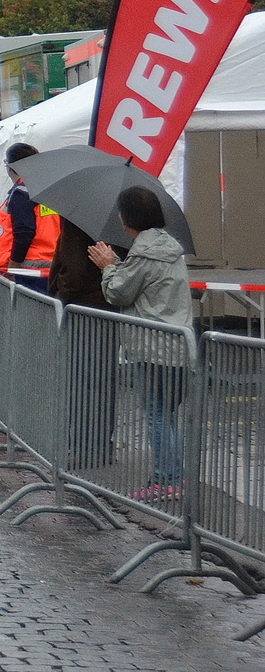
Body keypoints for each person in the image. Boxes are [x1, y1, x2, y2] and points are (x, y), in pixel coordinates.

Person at [89, 186, 194, 502]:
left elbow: (119, 292)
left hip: (151, 349)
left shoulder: (143, 253)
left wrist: (108, 266)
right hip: (178, 346)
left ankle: (165, 479)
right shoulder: (168, 248)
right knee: (166, 414)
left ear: (126, 217)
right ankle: (174, 477)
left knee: (157, 415)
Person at [0, 143, 61, 291]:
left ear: (11, 166)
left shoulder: (22, 192)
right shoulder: (49, 189)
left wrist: (12, 268)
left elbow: (24, 233)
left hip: (28, 271)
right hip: (52, 268)